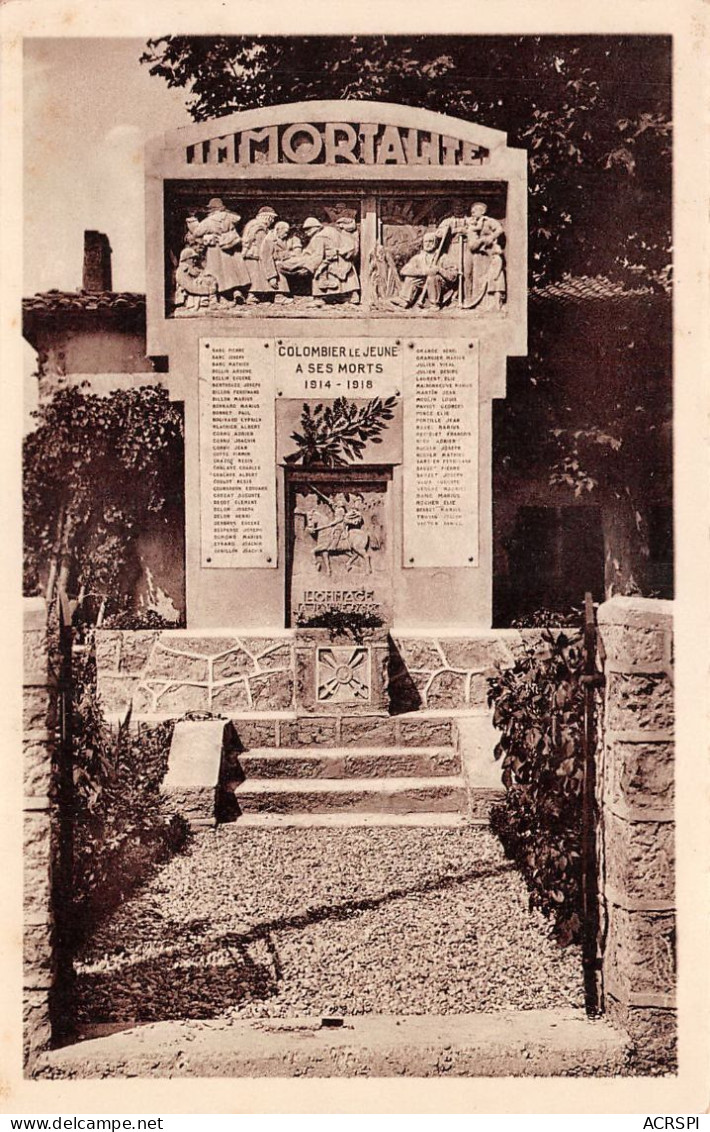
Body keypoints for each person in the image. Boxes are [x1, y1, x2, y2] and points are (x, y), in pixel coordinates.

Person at [185, 198, 250, 306]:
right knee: (233, 272)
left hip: (215, 250)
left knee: (218, 274)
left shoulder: (208, 222)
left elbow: (196, 233)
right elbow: (238, 221)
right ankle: (237, 292)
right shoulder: (230, 217)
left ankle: (223, 296)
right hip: (231, 249)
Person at [301, 215, 360, 303]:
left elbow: (318, 256)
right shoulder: (330, 230)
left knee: (320, 274)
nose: (306, 232)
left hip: (332, 260)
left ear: (315, 227)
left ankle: (320, 297)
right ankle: (351, 296)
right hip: (343, 259)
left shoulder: (319, 237)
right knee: (347, 280)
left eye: (308, 229)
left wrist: (308, 267)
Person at [391, 231, 458, 309]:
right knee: (410, 278)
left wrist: (439, 270)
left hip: (441, 286)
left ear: (436, 243)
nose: (428, 244)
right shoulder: (418, 258)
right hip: (423, 284)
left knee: (432, 277)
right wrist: (424, 272)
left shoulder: (443, 257)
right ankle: (405, 300)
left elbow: (453, 277)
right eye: (426, 241)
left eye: (430, 241)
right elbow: (404, 271)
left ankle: (434, 305)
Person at [259, 220, 306, 304]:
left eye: (287, 232)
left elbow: (296, 250)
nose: (286, 234)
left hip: (287, 262)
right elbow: (266, 259)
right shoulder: (269, 240)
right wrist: (271, 277)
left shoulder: (287, 238)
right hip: (272, 266)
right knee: (279, 267)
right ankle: (279, 296)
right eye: (285, 232)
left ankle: (299, 293)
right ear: (278, 230)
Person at [241, 205, 278, 303]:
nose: (272, 221)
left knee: (254, 276)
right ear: (267, 217)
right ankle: (252, 295)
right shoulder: (260, 227)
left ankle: (252, 295)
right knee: (256, 276)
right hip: (254, 254)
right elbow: (262, 245)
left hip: (249, 254)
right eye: (272, 218)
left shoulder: (252, 224)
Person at [174, 246, 217, 312]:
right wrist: (208, 290)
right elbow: (189, 287)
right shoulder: (182, 270)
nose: (195, 261)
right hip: (191, 293)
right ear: (185, 259)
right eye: (192, 258)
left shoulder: (194, 269)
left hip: (197, 289)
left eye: (195, 259)